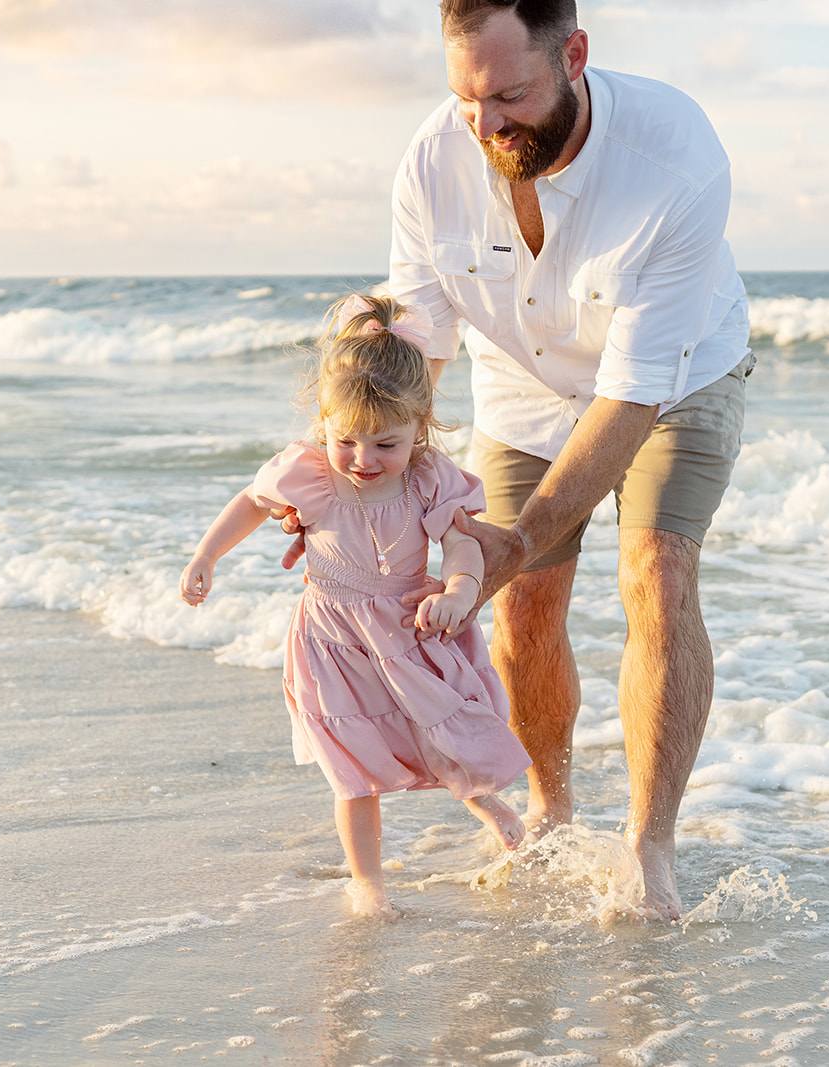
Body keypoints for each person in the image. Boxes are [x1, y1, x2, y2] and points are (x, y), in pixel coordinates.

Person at [386, 0, 755, 920]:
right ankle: (549, 811)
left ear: (575, 56)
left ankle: (650, 847)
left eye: (510, 96)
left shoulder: (675, 160)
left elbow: (630, 396)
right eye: (468, 100)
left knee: (656, 573)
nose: (486, 126)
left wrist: (519, 537)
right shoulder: (434, 160)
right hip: (521, 383)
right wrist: (350, 479)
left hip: (673, 378)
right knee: (525, 604)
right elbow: (418, 347)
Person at [179, 292, 532, 921]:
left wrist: (460, 590)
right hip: (332, 641)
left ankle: (485, 804)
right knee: (351, 765)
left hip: (407, 628)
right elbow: (250, 504)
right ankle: (367, 881)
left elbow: (460, 544)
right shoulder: (308, 475)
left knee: (440, 727)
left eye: (386, 445)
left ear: (420, 425)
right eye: (348, 441)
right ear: (324, 421)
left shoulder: (427, 478)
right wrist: (208, 555)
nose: (365, 459)